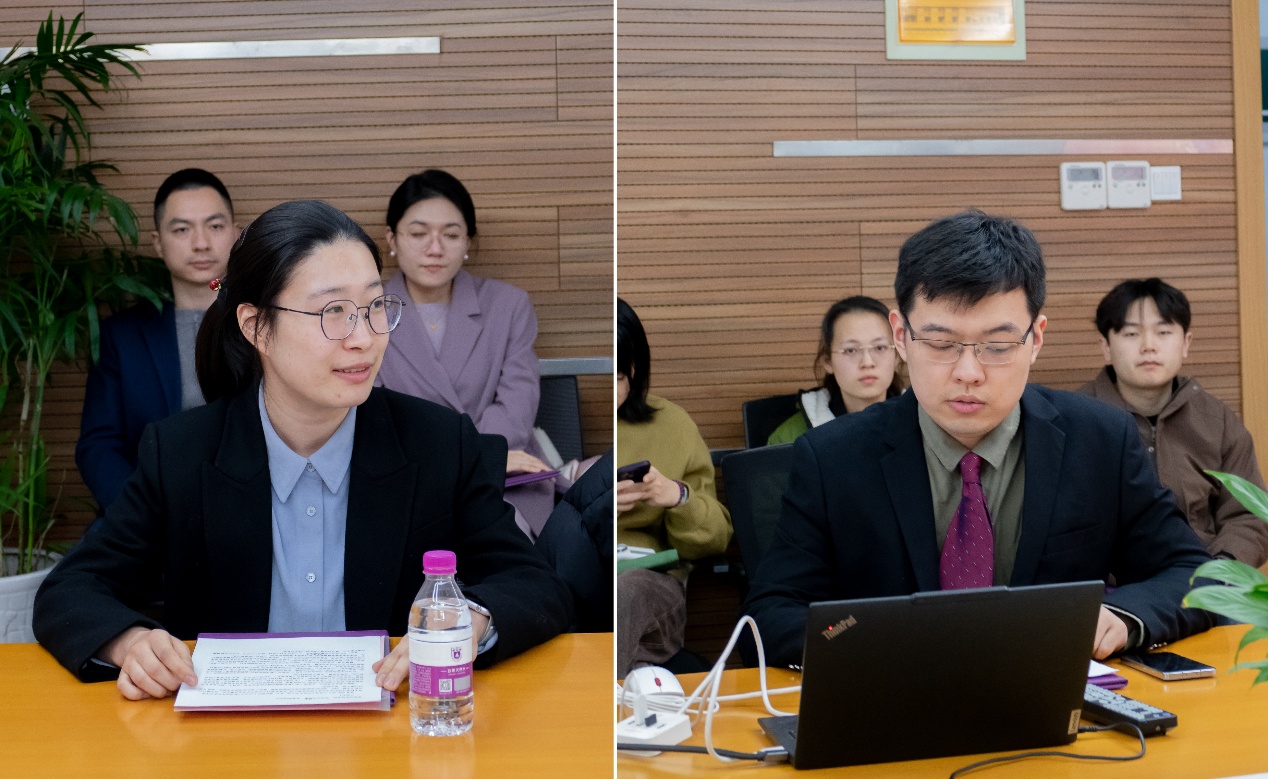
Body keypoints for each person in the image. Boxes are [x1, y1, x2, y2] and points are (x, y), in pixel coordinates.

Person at [35, 199, 572, 699]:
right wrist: (129, 642)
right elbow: (72, 590)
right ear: (256, 327)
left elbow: (533, 583)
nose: (364, 337)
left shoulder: (438, 443)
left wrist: (470, 621)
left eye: (375, 306)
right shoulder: (181, 453)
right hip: (224, 742)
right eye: (333, 311)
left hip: (393, 733)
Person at [743, 211, 1216, 669]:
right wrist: (876, 641)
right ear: (901, 336)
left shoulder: (1100, 441)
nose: (968, 372)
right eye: (941, 344)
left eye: (998, 346)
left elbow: (1195, 575)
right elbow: (770, 616)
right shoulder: (833, 458)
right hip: (893, 699)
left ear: (1036, 339)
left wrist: (1122, 617)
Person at [375, 169, 557, 538]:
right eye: (419, 234)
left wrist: (484, 460)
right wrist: (463, 460)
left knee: (501, 546)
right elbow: (374, 419)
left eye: (452, 235)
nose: (435, 249)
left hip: (503, 477)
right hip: (408, 480)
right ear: (392, 239)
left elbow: (516, 407)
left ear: (468, 242)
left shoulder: (508, 306)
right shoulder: (367, 311)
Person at [76, 168, 238, 512]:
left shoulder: (268, 325)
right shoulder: (122, 337)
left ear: (236, 234)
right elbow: (98, 445)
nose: (201, 243)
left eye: (215, 226)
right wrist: (139, 513)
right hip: (150, 513)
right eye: (182, 229)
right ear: (158, 243)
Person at [1080, 278, 1268, 566]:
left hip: (1205, 579)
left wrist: (1221, 573)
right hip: (1110, 585)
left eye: (1164, 332)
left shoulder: (1218, 421)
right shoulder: (1075, 419)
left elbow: (1249, 514)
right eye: (1131, 334)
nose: (1149, 346)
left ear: (1185, 343)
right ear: (1106, 346)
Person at [616, 298, 732, 676]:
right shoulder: (561, 429)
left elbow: (716, 537)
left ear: (634, 370)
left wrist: (677, 497)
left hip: (650, 583)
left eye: (619, 377)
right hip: (586, 574)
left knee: (625, 593)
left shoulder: (672, 425)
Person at [767, 295, 904, 445]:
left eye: (880, 348)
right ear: (827, 361)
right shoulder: (790, 439)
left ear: (897, 355)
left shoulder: (920, 422)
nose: (867, 362)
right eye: (851, 350)